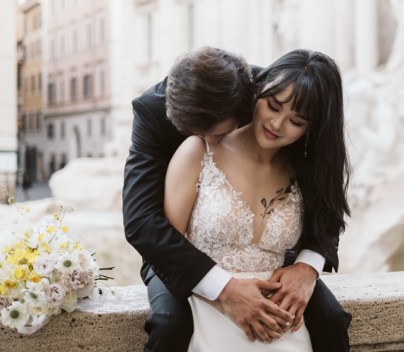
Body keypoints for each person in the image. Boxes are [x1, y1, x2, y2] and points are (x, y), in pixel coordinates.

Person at [123, 47, 351, 351]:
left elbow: (327, 197)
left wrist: (307, 268)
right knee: (170, 324)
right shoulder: (155, 114)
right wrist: (224, 290)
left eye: (214, 132)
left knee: (331, 319)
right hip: (174, 252)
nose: (208, 140)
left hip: (266, 258)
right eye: (198, 132)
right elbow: (142, 222)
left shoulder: (274, 92)